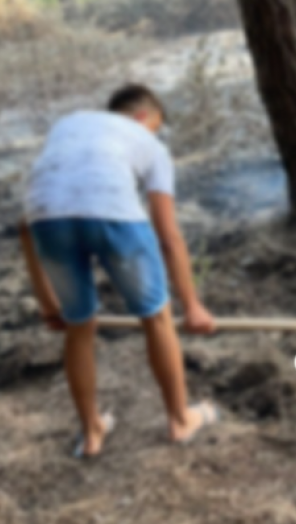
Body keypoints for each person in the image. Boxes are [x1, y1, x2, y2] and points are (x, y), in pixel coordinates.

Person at [18, 84, 220, 459]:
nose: (154, 136)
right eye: (156, 127)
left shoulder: (70, 124)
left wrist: (48, 304)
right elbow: (168, 235)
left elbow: (26, 226)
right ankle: (180, 420)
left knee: (80, 326)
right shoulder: (151, 145)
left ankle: (92, 431)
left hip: (47, 219)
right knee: (157, 318)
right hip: (114, 217)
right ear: (145, 117)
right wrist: (192, 306)